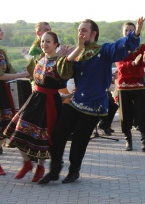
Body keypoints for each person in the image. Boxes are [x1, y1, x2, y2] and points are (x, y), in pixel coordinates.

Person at [38, 17, 144, 185]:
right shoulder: (77, 52)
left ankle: (73, 172)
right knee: (58, 134)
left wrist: (136, 32)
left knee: (80, 140)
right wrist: (66, 57)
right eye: (79, 30)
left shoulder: (104, 50)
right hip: (75, 100)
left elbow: (120, 46)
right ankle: (54, 170)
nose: (80, 33)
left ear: (93, 34)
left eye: (84, 30)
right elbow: (64, 75)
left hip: (94, 104)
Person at [4, 31, 84, 182]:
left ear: (55, 45)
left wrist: (79, 47)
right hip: (35, 99)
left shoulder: (59, 61)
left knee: (44, 135)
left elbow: (68, 60)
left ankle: (40, 167)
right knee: (17, 130)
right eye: (42, 41)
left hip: (49, 102)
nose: (44, 44)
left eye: (48, 42)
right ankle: (27, 163)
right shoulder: (39, 59)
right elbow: (29, 70)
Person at [116, 21, 145, 153]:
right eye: (126, 30)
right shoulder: (119, 46)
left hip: (138, 85)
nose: (128, 33)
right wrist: (133, 63)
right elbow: (120, 66)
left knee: (142, 114)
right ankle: (128, 141)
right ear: (123, 32)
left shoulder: (141, 47)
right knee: (125, 114)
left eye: (131, 30)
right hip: (124, 86)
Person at [0, 27, 30, 156]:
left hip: (2, 91)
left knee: (4, 124)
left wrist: (26, 74)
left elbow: (10, 71)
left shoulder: (2, 52)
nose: (2, 33)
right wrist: (21, 74)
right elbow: (1, 75)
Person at [97, 71, 119, 136]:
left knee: (114, 106)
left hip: (107, 92)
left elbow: (112, 89)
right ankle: (102, 125)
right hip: (97, 92)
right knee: (108, 105)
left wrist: (113, 80)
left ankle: (107, 125)